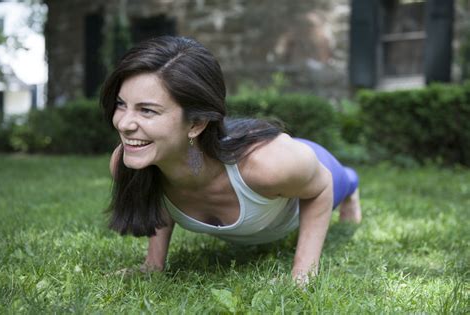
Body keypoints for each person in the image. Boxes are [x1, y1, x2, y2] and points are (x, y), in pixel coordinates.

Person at [101, 36, 361, 284]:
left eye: (147, 110)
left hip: (314, 164)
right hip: (212, 146)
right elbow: (156, 195)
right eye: (122, 104)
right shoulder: (130, 163)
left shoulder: (269, 165)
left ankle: (352, 187)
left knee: (344, 179)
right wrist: (153, 264)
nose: (123, 123)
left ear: (196, 123)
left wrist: (302, 274)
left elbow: (322, 184)